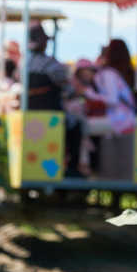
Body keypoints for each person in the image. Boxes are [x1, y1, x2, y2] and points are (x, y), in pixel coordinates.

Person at [26, 23, 83, 177]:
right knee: (76, 125)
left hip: (29, 114)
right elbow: (67, 91)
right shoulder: (50, 64)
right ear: (44, 44)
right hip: (53, 115)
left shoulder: (24, 64)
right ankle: (72, 167)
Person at [74, 39, 136, 180]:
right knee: (86, 127)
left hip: (122, 119)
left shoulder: (106, 74)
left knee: (83, 127)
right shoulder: (111, 74)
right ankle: (87, 164)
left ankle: (85, 166)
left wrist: (90, 94)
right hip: (121, 118)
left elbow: (113, 100)